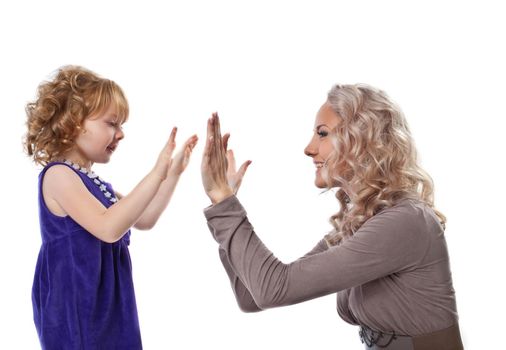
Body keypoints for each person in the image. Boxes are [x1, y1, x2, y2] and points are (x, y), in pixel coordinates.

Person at [200, 84, 464, 349]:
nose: (308, 148)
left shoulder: (405, 223)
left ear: (362, 139)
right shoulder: (360, 224)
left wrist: (226, 205)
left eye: (322, 134)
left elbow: (273, 289)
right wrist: (223, 205)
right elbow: (252, 296)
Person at [24, 65, 198, 349]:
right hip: (78, 308)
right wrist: (155, 172)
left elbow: (144, 218)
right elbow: (108, 227)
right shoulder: (59, 176)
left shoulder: (95, 184)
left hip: (108, 304)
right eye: (112, 123)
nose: (120, 134)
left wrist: (172, 172)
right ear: (74, 122)